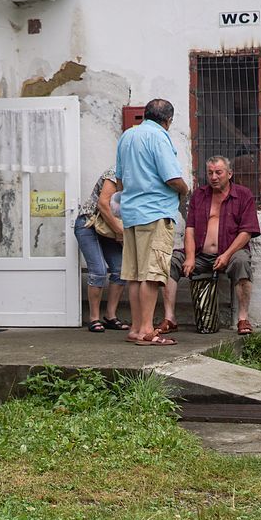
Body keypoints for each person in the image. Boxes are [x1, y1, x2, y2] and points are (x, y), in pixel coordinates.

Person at [115, 98, 189, 345]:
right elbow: (171, 177)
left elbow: (119, 181)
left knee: (135, 275)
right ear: (168, 120)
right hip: (155, 212)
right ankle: (147, 330)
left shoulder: (127, 136)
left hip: (132, 213)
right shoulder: (159, 137)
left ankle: (136, 328)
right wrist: (184, 189)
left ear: (145, 115)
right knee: (152, 274)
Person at [166, 156, 261, 334]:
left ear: (229, 174)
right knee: (171, 261)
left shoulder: (243, 195)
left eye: (219, 172)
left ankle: (243, 319)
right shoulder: (199, 195)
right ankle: (169, 318)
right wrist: (191, 256)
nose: (214, 177)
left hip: (231, 252)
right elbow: (190, 229)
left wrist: (226, 255)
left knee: (241, 261)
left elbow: (247, 232)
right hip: (201, 254)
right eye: (210, 173)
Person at [73, 169, 131, 333]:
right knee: (98, 271)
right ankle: (93, 318)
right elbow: (103, 205)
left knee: (120, 270)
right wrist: (120, 233)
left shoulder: (138, 176)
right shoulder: (115, 172)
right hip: (88, 224)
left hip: (109, 228)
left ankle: (110, 317)